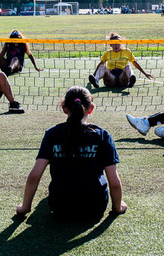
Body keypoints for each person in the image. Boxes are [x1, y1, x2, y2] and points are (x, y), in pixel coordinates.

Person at [16, 86, 127, 220]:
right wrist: (118, 208)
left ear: (64, 108)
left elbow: (34, 175)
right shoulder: (102, 136)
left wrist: (25, 207)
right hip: (94, 208)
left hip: (60, 208)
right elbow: (114, 182)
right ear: (91, 109)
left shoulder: (52, 134)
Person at [89, 32, 153, 88]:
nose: (116, 45)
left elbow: (135, 63)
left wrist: (145, 74)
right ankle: (96, 80)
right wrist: (94, 75)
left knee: (128, 67)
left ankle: (131, 81)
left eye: (118, 43)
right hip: (110, 78)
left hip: (122, 78)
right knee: (102, 67)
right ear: (111, 44)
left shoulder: (126, 51)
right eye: (114, 43)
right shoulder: (107, 53)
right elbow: (100, 65)